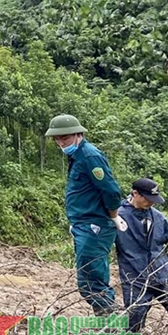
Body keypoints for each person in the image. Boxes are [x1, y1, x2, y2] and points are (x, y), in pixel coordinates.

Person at [45, 114, 126, 316]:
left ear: (78, 134)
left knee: (92, 281)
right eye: (58, 139)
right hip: (84, 224)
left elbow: (111, 191)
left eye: (65, 138)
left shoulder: (90, 156)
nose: (61, 143)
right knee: (89, 280)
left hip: (94, 226)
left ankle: (111, 330)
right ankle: (107, 326)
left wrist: (114, 215)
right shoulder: (77, 156)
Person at [115, 178, 168, 332]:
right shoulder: (117, 216)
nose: (151, 203)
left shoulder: (158, 217)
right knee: (133, 320)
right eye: (148, 199)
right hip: (135, 277)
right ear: (135, 193)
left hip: (164, 274)